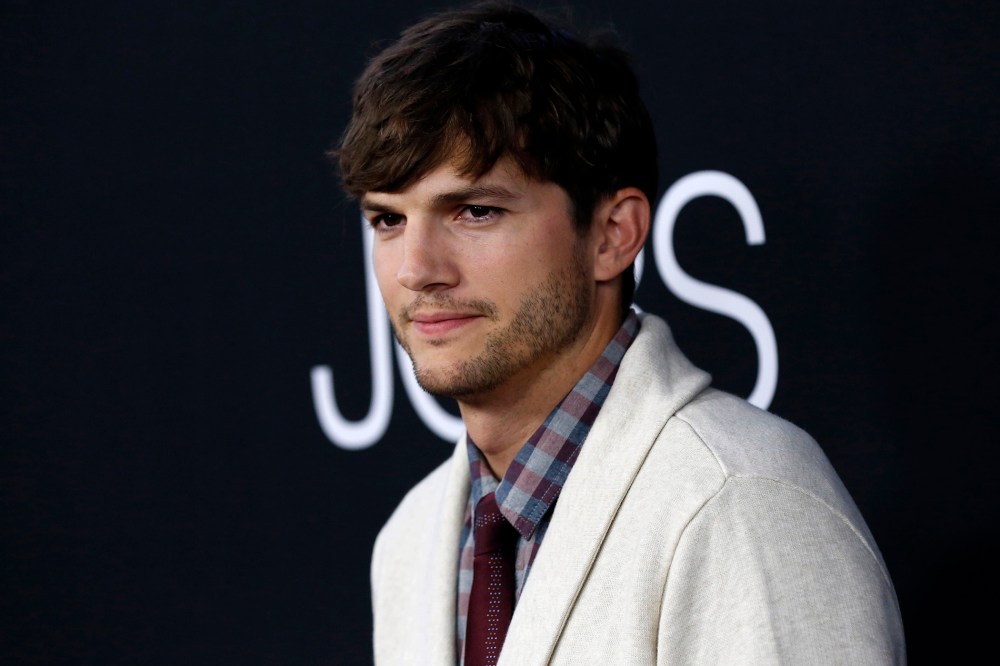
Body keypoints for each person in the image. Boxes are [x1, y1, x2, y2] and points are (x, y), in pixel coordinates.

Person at [333, 2, 906, 664]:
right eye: (387, 220)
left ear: (613, 235)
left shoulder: (743, 503)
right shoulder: (411, 539)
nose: (416, 270)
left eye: (476, 211)